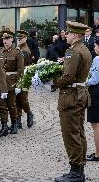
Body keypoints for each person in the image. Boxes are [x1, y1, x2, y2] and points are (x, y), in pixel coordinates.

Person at [53, 21, 91, 182]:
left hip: (71, 96)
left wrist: (52, 81)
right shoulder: (85, 49)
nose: (66, 35)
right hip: (80, 94)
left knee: (71, 134)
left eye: (68, 33)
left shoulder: (73, 52)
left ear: (75, 35)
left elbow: (68, 77)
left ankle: (76, 172)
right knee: (79, 133)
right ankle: (79, 169)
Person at [0, 30, 24, 137]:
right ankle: (4, 126)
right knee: (2, 105)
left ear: (12, 39)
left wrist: (19, 84)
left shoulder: (17, 52)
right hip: (1, 83)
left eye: (7, 39)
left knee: (12, 105)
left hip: (12, 82)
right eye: (3, 39)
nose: (5, 41)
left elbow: (20, 70)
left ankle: (14, 124)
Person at [15, 30, 34, 129]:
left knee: (22, 98)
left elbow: (23, 66)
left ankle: (29, 113)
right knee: (16, 98)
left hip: (25, 77)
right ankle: (18, 120)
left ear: (25, 38)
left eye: (21, 38)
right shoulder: (17, 48)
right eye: (18, 38)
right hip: (17, 76)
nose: (19, 39)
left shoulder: (25, 51)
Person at [86, 38, 99, 162]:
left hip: (96, 92)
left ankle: (98, 154)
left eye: (95, 45)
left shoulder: (97, 59)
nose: (94, 48)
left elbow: (94, 79)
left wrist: (84, 83)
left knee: (96, 125)